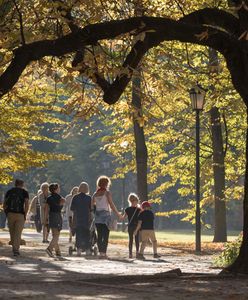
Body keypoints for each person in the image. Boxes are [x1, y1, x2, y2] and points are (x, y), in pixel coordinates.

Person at [93, 175, 121, 258]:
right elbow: (111, 205)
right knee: (105, 235)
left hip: (97, 216)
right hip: (105, 216)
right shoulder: (107, 193)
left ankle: (101, 252)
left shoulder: (95, 194)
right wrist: (118, 214)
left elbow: (92, 205)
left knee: (99, 235)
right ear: (106, 184)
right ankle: (104, 253)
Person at [3, 179, 29, 256]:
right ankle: (16, 250)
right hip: (20, 214)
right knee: (18, 232)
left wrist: (7, 213)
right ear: (22, 184)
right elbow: (26, 204)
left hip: (10, 213)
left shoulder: (9, 191)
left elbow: (4, 204)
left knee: (12, 231)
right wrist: (25, 214)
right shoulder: (24, 192)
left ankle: (14, 246)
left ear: (15, 184)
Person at [70, 182, 93, 256]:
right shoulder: (89, 198)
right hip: (86, 218)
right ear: (87, 189)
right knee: (87, 234)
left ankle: (79, 249)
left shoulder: (75, 197)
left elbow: (72, 208)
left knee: (78, 234)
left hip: (77, 217)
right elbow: (91, 209)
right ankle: (87, 249)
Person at [44, 183, 65, 257]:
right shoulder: (60, 197)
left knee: (54, 235)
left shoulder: (49, 198)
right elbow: (59, 208)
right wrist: (62, 204)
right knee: (56, 236)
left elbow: (46, 209)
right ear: (56, 189)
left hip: (51, 216)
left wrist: (45, 219)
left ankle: (58, 252)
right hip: (57, 216)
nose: (59, 189)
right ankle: (49, 249)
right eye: (58, 188)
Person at [121, 193, 141, 258]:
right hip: (136, 226)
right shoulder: (138, 210)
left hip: (130, 226)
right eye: (136, 201)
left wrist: (119, 215)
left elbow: (123, 218)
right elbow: (141, 218)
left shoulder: (127, 209)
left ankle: (130, 254)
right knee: (136, 239)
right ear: (135, 201)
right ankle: (137, 253)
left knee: (131, 240)